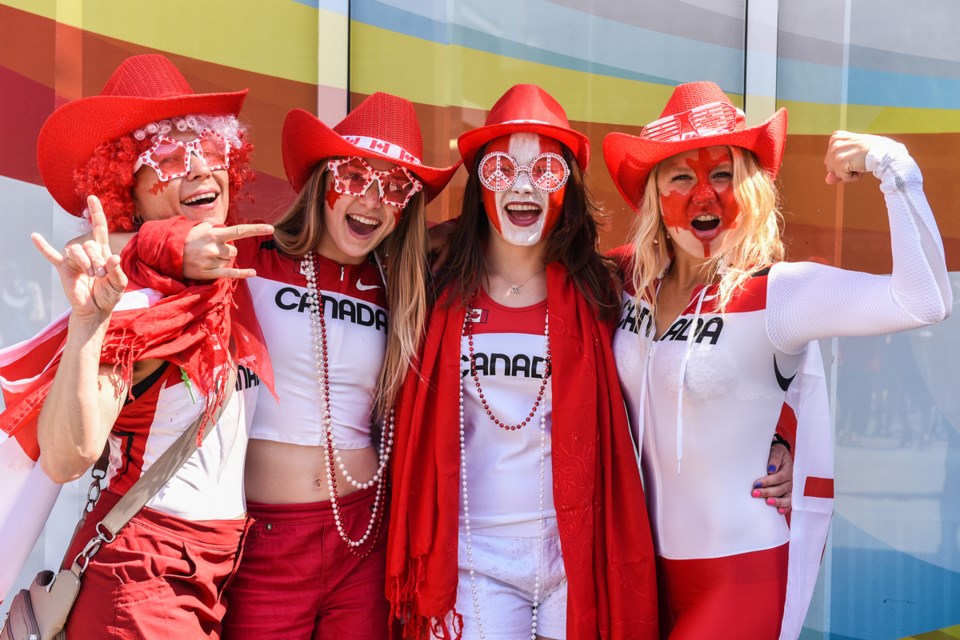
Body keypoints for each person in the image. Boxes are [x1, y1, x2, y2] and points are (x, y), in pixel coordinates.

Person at [602, 81, 951, 639]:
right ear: (652, 194)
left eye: (722, 175)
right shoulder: (626, 280)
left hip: (736, 578)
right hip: (639, 578)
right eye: (682, 178)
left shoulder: (777, 293)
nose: (704, 197)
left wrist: (894, 168)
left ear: (752, 190)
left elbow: (923, 300)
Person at [121, 92, 459, 639]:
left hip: (364, 535)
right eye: (354, 177)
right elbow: (136, 244)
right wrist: (169, 245)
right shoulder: (252, 253)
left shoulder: (406, 283)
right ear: (324, 181)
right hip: (264, 540)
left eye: (395, 187)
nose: (372, 200)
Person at [0, 53, 272, 638]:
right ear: (130, 188)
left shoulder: (222, 278)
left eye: (210, 151)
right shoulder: (140, 305)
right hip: (143, 572)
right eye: (169, 159)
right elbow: (70, 455)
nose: (199, 171)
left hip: (210, 572)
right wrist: (87, 322)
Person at [386, 84, 660, 640]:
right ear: (478, 186)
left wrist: (778, 435)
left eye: (545, 172)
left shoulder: (606, 286)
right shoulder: (432, 285)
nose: (523, 187)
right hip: (470, 556)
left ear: (567, 189)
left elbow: (712, 320)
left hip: (573, 554)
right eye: (503, 170)